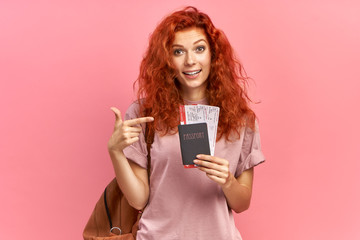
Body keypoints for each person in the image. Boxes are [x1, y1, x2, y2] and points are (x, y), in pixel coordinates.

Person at [107, 6, 265, 240]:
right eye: (178, 51)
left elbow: (242, 203)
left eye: (199, 49)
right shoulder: (145, 113)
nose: (190, 60)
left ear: (213, 54)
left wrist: (228, 181)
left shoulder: (241, 119)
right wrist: (115, 152)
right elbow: (138, 199)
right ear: (166, 59)